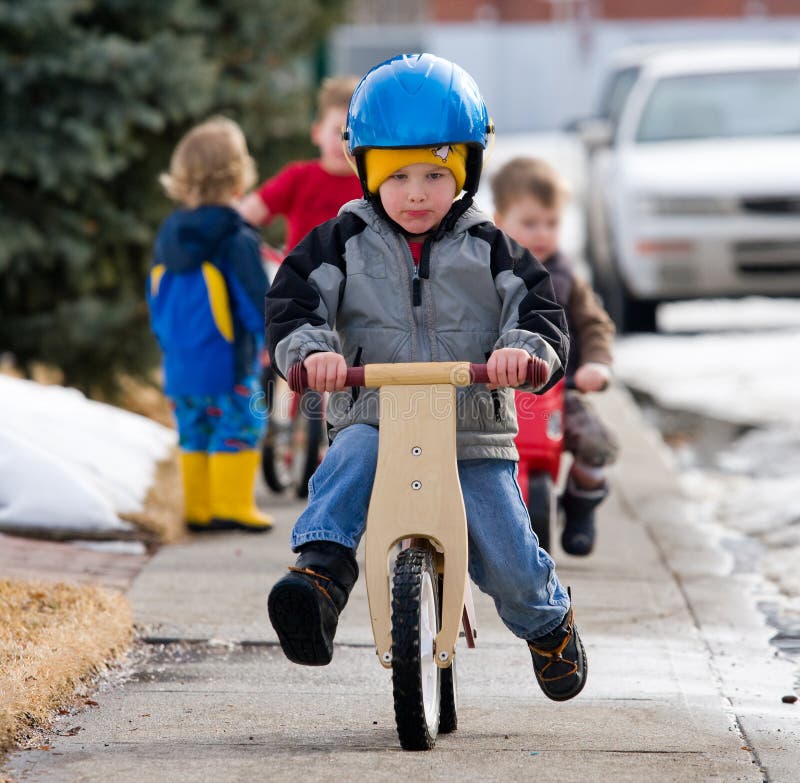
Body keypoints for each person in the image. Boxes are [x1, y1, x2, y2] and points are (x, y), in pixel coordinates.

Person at [265, 53, 587, 702]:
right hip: (371, 415)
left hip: (471, 431)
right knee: (346, 463)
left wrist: (522, 352)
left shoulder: (492, 247)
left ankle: (547, 621)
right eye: (399, 175)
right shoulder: (339, 243)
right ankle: (321, 578)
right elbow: (294, 303)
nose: (417, 192)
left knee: (506, 547)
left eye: (436, 174)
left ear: (465, 171)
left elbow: (540, 310)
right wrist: (313, 352)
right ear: (367, 172)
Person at [147, 116, 272, 533]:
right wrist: (274, 338)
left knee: (194, 430)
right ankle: (232, 505)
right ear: (239, 179)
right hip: (229, 361)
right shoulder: (235, 237)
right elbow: (255, 299)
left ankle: (199, 510)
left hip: (180, 363)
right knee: (241, 423)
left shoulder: (168, 236)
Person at [492, 157, 618, 556]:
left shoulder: (566, 277)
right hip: (497, 393)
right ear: (499, 220)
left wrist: (596, 365)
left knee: (597, 444)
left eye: (552, 223)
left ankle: (581, 502)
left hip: (557, 390)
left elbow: (593, 324)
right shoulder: (485, 272)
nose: (543, 234)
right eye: (530, 223)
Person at [238, 75, 362, 250]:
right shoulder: (298, 177)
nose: (345, 143)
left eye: (352, 134)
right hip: (300, 276)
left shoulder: (373, 184)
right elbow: (244, 215)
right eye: (337, 131)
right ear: (316, 132)